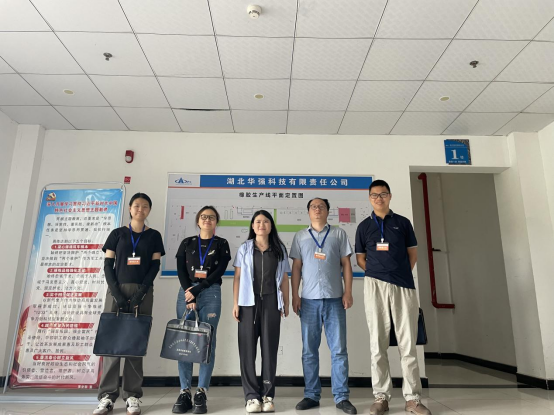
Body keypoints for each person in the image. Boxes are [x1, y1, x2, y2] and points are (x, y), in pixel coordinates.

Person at [355, 180, 431, 415]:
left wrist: (398, 274)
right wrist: (379, 273)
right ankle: (381, 397)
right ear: (369, 198)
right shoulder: (363, 226)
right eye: (374, 195)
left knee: (407, 344)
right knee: (377, 343)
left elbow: (412, 255)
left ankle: (413, 399)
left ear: (390, 196)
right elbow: (360, 258)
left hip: (403, 286)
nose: (379, 198)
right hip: (374, 286)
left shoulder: (403, 223)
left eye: (383, 194)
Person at [94, 192, 165, 416]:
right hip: (116, 290)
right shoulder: (117, 234)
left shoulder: (154, 235)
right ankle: (107, 396)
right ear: (130, 209)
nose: (140, 209)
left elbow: (155, 266)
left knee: (135, 342)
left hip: (143, 292)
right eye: (136, 205)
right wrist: (116, 293)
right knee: (112, 343)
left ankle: (132, 394)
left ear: (149, 210)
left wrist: (141, 292)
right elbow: (108, 264)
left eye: (145, 206)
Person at [290, 198, 357, 415]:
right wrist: (295, 295)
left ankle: (342, 397)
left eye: (321, 206)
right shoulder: (300, 236)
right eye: (313, 207)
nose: (317, 209)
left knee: (339, 351)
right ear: (308, 212)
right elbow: (296, 267)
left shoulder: (338, 234)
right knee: (309, 351)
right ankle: (311, 395)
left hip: (335, 299)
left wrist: (348, 292)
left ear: (328, 211)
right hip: (308, 301)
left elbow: (346, 264)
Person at [172, 206, 231, 414]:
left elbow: (219, 271)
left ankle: (201, 391)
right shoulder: (187, 242)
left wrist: (199, 290)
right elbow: (181, 269)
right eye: (203, 217)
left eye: (211, 217)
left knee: (207, 341)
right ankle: (184, 391)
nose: (207, 220)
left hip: (211, 292)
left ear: (216, 222)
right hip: (187, 291)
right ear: (198, 221)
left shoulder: (222, 243)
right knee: (185, 340)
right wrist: (190, 292)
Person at [232, 210, 290, 413]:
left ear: (271, 226)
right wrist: (235, 303)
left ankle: (267, 395)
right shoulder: (245, 248)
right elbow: (237, 277)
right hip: (248, 303)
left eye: (265, 221)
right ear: (252, 226)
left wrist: (286, 302)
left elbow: (284, 278)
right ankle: (251, 397)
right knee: (247, 350)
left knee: (269, 349)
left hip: (272, 302)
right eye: (258, 221)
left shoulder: (279, 249)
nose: (261, 224)